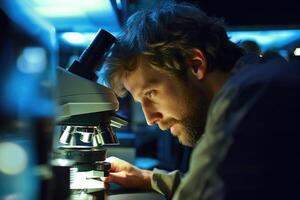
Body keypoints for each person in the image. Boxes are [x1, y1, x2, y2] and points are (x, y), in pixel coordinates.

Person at [101, 2, 300, 200]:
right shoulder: (259, 75)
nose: (150, 118)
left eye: (151, 93)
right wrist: (148, 178)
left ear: (196, 65)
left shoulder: (250, 97)